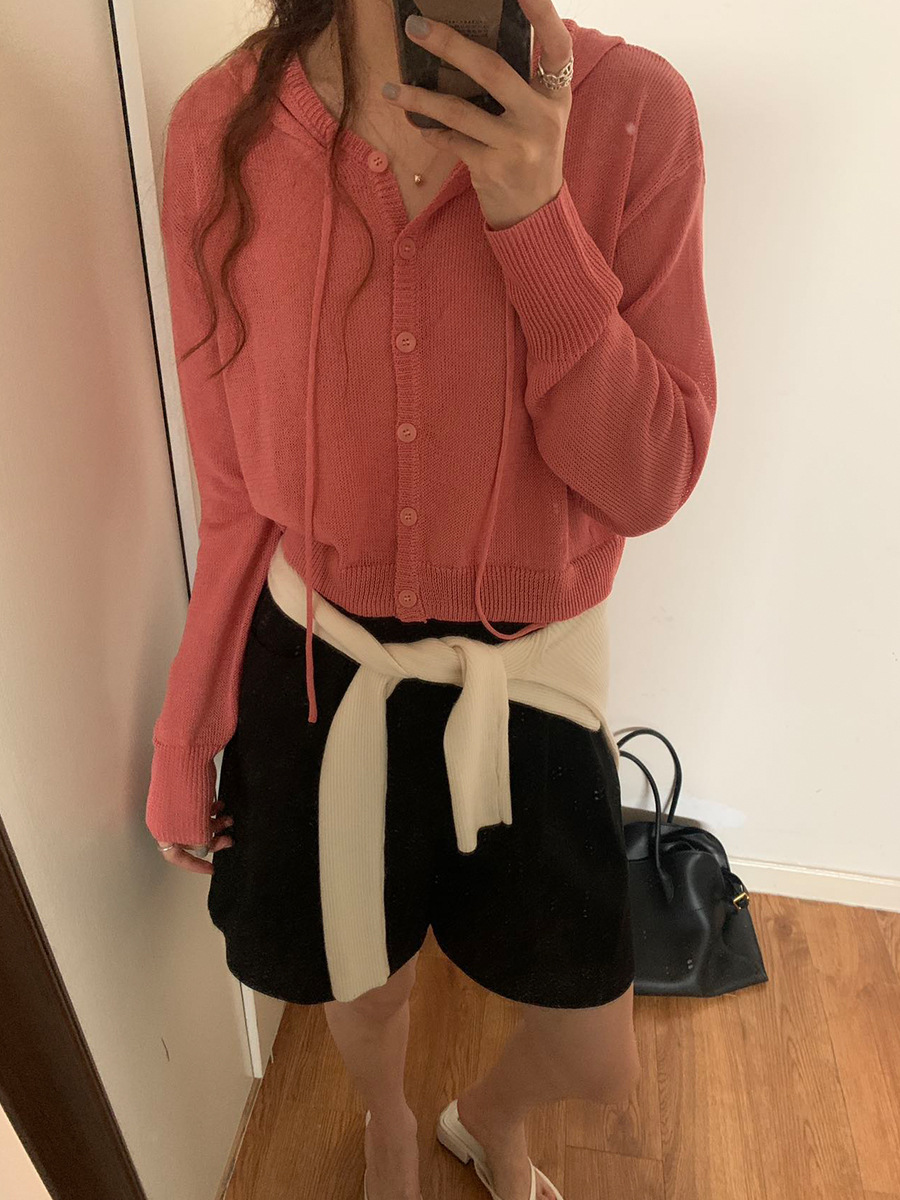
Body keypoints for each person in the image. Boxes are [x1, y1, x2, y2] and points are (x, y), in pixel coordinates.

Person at [144, 0, 716, 1197]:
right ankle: (389, 1125)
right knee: (367, 982)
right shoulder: (223, 128)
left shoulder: (635, 115)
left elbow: (649, 478)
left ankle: (487, 1116)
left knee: (595, 1049)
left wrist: (535, 219)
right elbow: (234, 490)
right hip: (321, 660)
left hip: (533, 677)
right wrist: (188, 730)